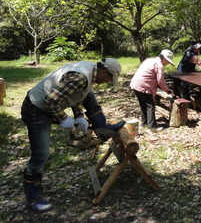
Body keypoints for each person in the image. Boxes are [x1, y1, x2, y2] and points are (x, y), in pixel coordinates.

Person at [21, 58, 125, 212]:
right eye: (110, 77)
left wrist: (78, 115)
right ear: (104, 71)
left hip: (47, 104)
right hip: (36, 109)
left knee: (89, 95)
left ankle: (102, 128)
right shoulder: (80, 76)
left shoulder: (91, 72)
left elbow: (77, 94)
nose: (108, 81)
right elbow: (50, 101)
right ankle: (33, 198)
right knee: (40, 154)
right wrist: (64, 119)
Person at [130, 50, 174, 133]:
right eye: (167, 61)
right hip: (143, 86)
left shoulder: (149, 60)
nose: (167, 63)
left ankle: (144, 123)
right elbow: (160, 81)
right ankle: (152, 127)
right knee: (150, 105)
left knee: (143, 105)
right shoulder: (159, 65)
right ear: (163, 58)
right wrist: (167, 90)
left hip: (135, 84)